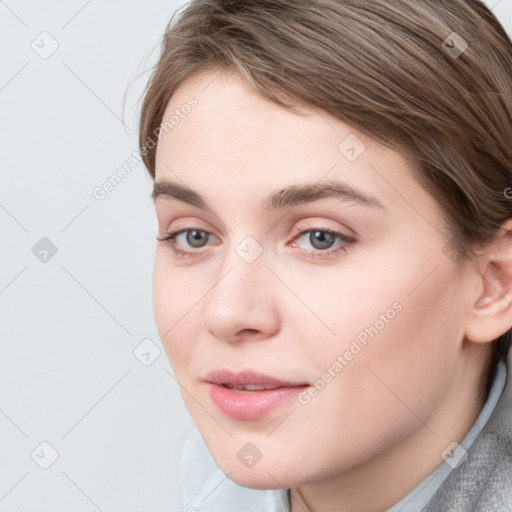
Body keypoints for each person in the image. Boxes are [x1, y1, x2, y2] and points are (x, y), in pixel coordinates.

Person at [137, 1, 512, 510]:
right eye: (193, 236)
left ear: (494, 283)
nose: (226, 314)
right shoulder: (211, 479)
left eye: (320, 238)